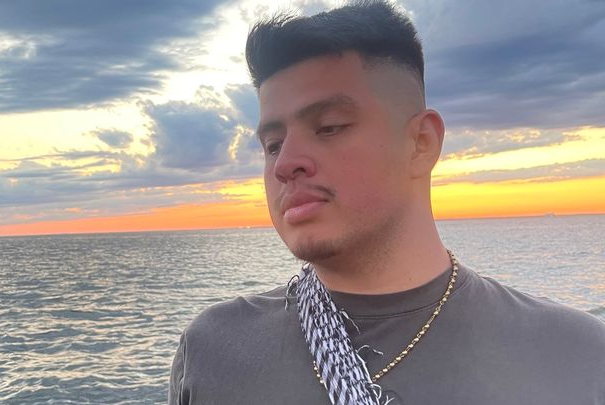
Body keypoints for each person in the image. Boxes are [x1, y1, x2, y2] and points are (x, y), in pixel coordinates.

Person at [168, 1, 605, 404]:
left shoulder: (577, 356)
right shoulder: (211, 352)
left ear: (421, 142)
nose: (285, 164)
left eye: (329, 127)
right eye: (272, 144)